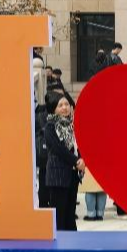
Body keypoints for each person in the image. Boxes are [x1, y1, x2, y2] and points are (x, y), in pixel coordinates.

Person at [42, 95, 83, 231]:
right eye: (60, 105)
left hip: (73, 175)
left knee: (70, 214)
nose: (65, 107)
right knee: (59, 216)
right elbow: (59, 149)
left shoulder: (73, 125)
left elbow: (79, 146)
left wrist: (82, 159)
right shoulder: (50, 126)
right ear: (54, 109)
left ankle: (73, 241)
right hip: (58, 176)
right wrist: (76, 161)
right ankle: (61, 242)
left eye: (67, 104)